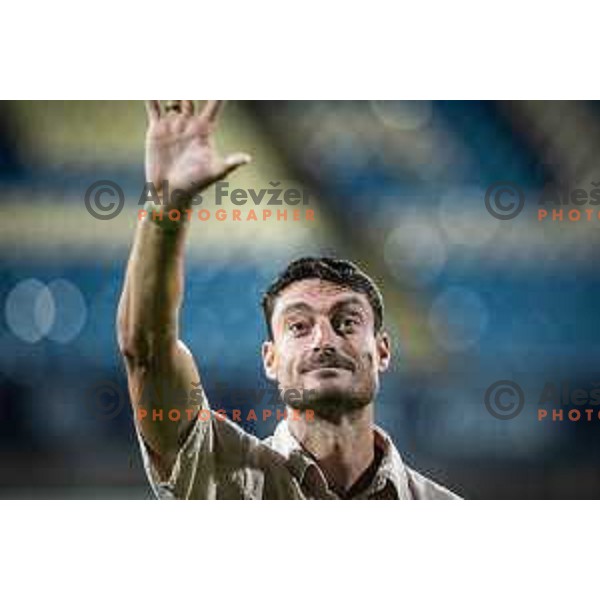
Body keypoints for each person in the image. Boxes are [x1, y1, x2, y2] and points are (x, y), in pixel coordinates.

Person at [117, 100, 459, 499]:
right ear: (270, 359)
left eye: (346, 322)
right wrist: (167, 203)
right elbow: (145, 350)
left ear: (383, 350)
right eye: (298, 326)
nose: (323, 340)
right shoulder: (220, 475)